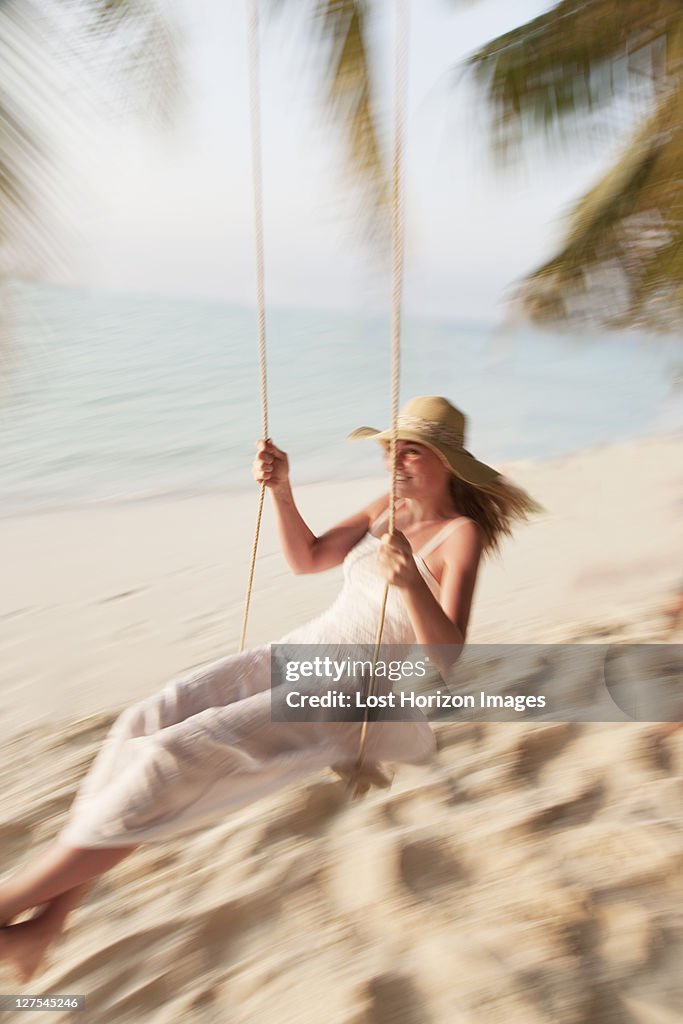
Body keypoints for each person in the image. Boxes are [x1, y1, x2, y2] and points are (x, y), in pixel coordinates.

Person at [0, 395, 539, 980]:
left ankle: (11, 902)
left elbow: (451, 656)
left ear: (448, 463)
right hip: (300, 650)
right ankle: (48, 924)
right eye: (392, 448)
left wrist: (410, 582)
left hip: (349, 686)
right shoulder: (386, 505)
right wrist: (283, 489)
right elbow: (309, 560)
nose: (398, 460)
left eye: (414, 450)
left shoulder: (460, 534)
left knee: (169, 758)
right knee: (146, 720)